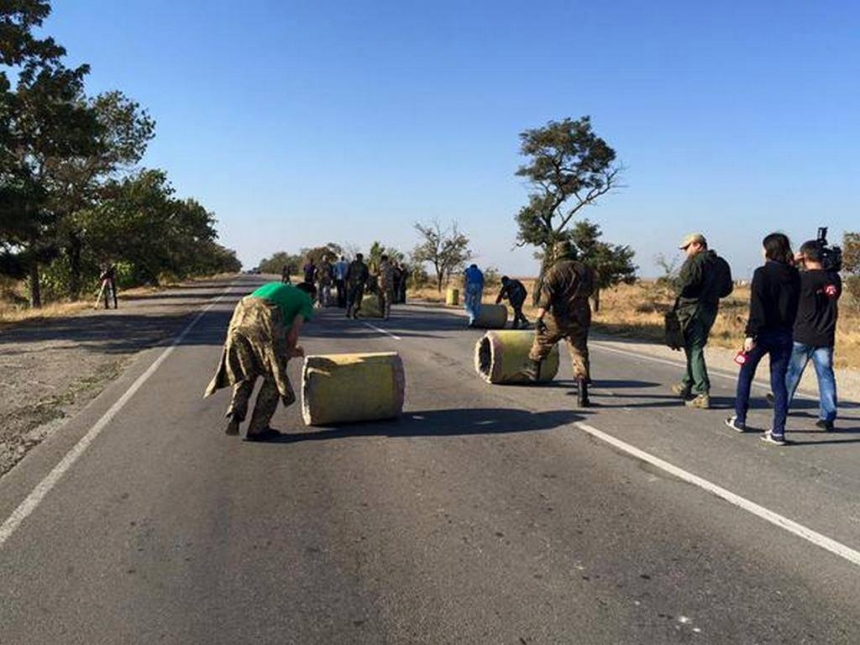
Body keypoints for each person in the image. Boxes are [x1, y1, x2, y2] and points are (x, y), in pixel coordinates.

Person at [204, 281, 316, 441]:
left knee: (246, 369)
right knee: (275, 378)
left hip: (240, 317)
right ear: (312, 295)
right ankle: (258, 428)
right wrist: (291, 350)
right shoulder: (305, 300)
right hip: (263, 317)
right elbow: (292, 334)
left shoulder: (278, 288)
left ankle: (236, 411)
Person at [725, 233, 801, 446]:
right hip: (785, 332)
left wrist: (750, 334)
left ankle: (740, 418)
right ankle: (778, 431)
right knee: (779, 382)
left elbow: (757, 306)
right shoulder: (795, 275)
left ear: (768, 249)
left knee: (746, 374)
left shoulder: (762, 273)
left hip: (763, 332)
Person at [523, 240, 596, 407]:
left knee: (542, 340)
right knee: (579, 353)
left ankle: (534, 370)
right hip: (580, 317)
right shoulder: (586, 270)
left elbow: (546, 298)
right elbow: (590, 291)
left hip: (558, 317)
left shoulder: (554, 271)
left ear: (557, 253)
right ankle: (582, 395)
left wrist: (539, 318)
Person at [781, 239, 842, 430]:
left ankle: (782, 404)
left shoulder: (802, 278)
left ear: (804, 257)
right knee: (826, 375)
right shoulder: (834, 279)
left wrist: (793, 260)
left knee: (792, 373)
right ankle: (828, 415)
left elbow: (782, 277)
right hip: (825, 336)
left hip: (802, 333)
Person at [671, 233, 733, 409]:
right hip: (710, 309)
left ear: (697, 245)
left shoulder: (695, 262)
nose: (686, 251)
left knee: (694, 350)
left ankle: (702, 392)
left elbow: (682, 286)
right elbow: (726, 289)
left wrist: (676, 286)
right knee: (694, 348)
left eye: (687, 247)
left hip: (692, 310)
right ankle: (686, 384)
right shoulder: (721, 263)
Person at [345, 253, 369, 319]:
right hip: (359, 285)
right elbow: (366, 276)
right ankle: (354, 313)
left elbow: (347, 274)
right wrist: (366, 284)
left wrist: (347, 282)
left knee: (350, 299)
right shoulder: (364, 266)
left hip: (352, 284)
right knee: (357, 300)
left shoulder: (351, 265)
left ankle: (348, 312)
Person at [377, 254, 395, 320]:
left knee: (381, 300)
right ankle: (386, 315)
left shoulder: (380, 266)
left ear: (381, 259)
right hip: (389, 285)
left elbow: (377, 274)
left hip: (381, 285)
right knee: (388, 300)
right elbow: (397, 274)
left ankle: (381, 313)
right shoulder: (391, 266)